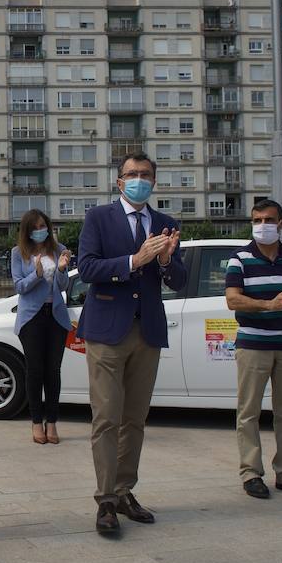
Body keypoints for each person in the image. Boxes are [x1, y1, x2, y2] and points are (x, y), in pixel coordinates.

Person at [76, 153, 186, 537]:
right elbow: (87, 268)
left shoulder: (166, 223)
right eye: (132, 174)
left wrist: (168, 260)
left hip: (148, 330)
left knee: (134, 420)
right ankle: (105, 499)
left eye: (146, 174)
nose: (139, 179)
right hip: (107, 330)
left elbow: (179, 281)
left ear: (154, 181)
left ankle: (124, 491)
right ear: (119, 181)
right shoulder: (98, 218)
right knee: (107, 417)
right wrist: (134, 260)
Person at [223, 200, 282, 500]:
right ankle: (251, 473)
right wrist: (268, 305)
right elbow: (233, 300)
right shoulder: (239, 259)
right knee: (248, 412)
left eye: (268, 219)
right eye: (256, 220)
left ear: (281, 223)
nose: (262, 225)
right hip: (253, 344)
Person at [11, 209, 72, 446]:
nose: (40, 231)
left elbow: (64, 285)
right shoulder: (19, 253)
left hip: (56, 316)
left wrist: (62, 268)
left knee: (53, 371)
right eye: (35, 227)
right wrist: (37, 274)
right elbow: (19, 287)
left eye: (43, 226)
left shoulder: (59, 249)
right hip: (31, 319)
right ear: (27, 231)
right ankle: (37, 422)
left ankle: (53, 422)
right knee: (35, 370)